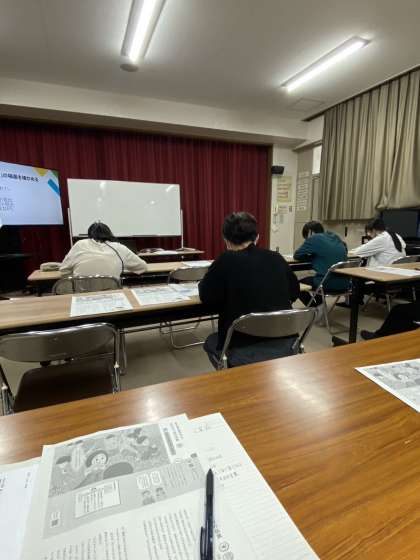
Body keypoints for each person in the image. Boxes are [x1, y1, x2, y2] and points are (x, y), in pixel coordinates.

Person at [199, 212, 300, 368]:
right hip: (286, 342)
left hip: (240, 345)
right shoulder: (276, 258)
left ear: (226, 240)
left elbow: (207, 298)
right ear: (257, 237)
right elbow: (294, 292)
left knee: (210, 341)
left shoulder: (225, 260)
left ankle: (236, 375)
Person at [60, 222, 148, 277]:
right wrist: (121, 267)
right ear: (109, 234)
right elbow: (143, 267)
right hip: (112, 295)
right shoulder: (119, 247)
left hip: (81, 295)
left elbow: (63, 270)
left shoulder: (80, 244)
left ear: (89, 234)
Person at [293, 221, 349, 306]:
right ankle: (320, 306)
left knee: (295, 285)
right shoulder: (335, 237)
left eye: (306, 237)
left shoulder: (314, 238)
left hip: (327, 283)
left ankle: (314, 307)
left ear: (310, 232)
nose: (306, 240)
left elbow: (297, 255)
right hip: (345, 283)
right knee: (318, 278)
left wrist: (311, 258)